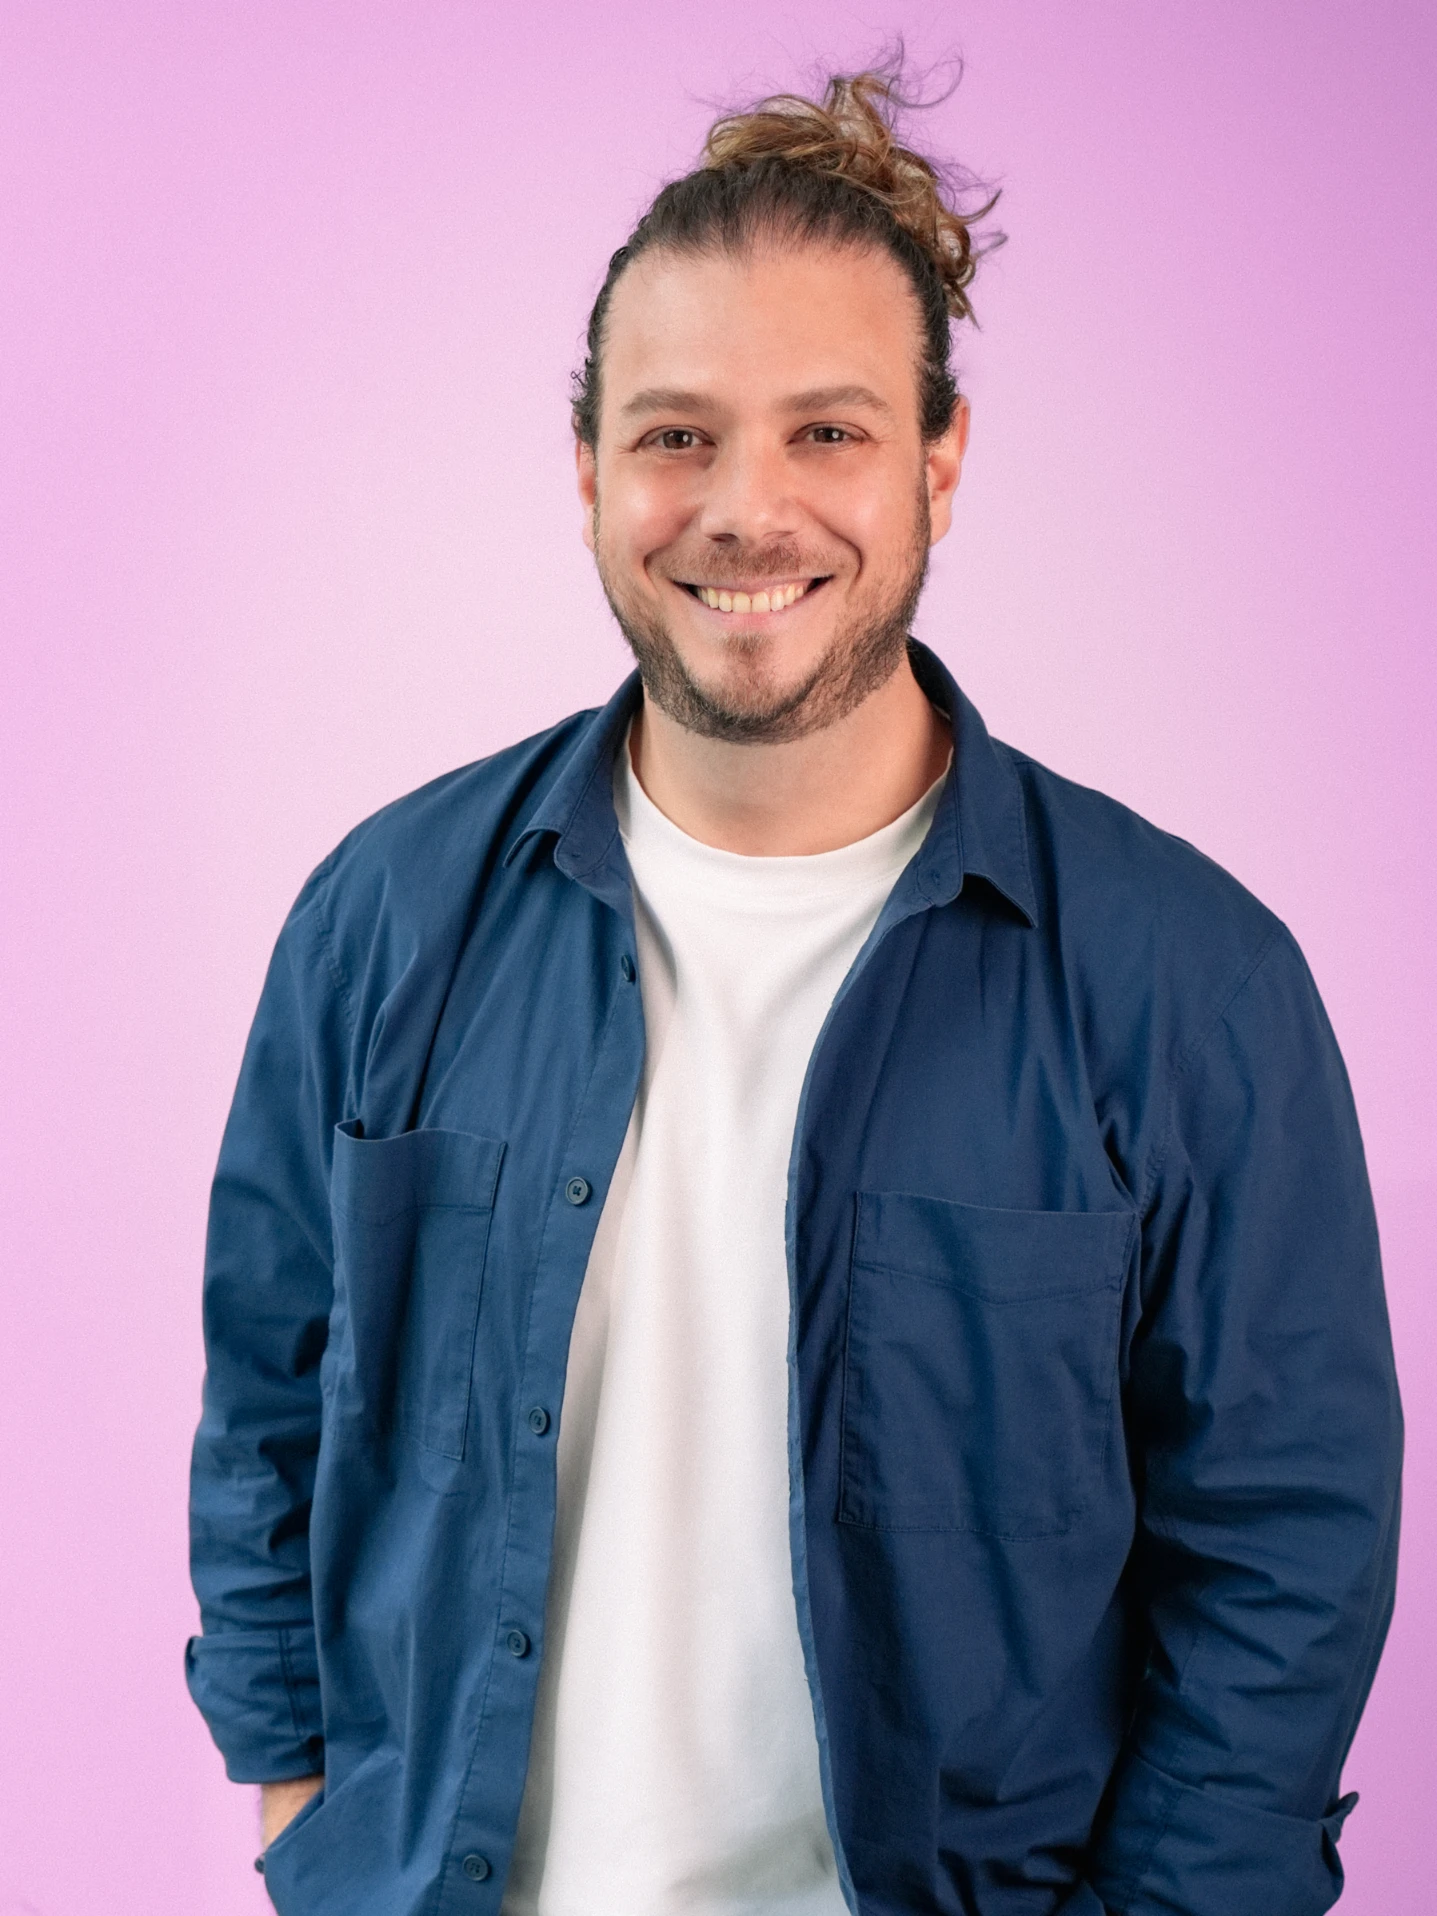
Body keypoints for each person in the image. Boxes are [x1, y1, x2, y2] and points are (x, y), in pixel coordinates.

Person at [186, 68, 1402, 1916]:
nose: (745, 511)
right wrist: (299, 1810)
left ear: (939, 463)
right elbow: (269, 1398)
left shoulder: (1190, 987)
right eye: (676, 436)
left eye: (827, 431)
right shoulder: (383, 919)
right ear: (589, 475)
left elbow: (1281, 1552)